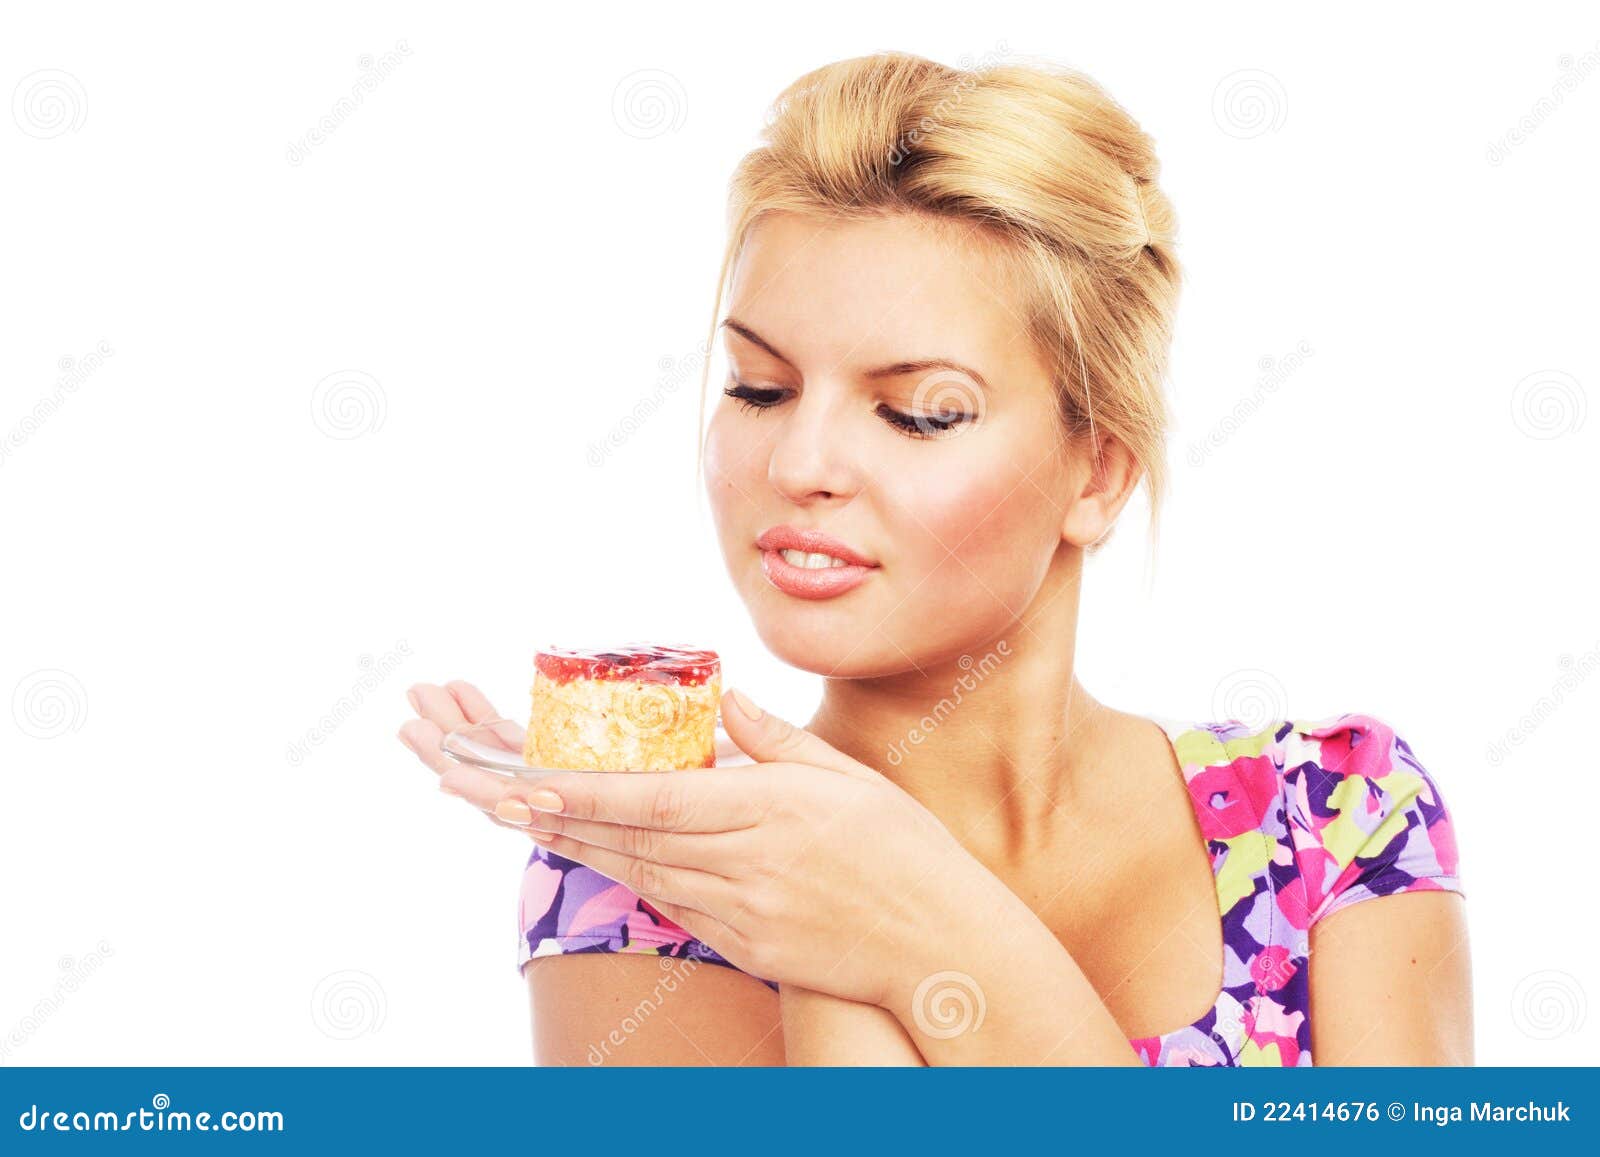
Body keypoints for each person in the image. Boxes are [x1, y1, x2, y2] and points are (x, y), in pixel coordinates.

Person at [398, 51, 1469, 1066]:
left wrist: (927, 923)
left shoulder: (1336, 815)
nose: (800, 461)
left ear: (1094, 475)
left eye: (917, 411)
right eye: (759, 387)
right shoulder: (645, 879)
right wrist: (833, 928)